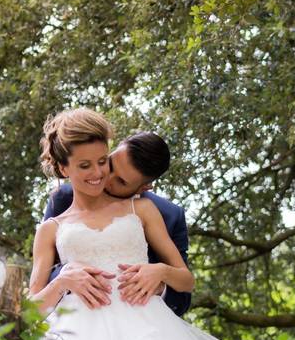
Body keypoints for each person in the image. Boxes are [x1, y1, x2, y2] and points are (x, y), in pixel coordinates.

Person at [26, 108, 261, 340]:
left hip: (147, 327)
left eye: (104, 163)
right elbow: (31, 307)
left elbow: (186, 283)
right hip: (79, 333)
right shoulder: (52, 224)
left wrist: (160, 273)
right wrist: (62, 280)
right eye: (86, 166)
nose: (100, 176)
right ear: (64, 169)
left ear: (144, 186)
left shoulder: (145, 209)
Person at [42, 131, 191, 317]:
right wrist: (65, 276)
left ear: (143, 187)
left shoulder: (167, 214)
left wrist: (159, 282)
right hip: (77, 317)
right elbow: (44, 274)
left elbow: (183, 298)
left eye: (121, 181)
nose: (104, 178)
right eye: (110, 164)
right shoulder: (63, 198)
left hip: (144, 318)